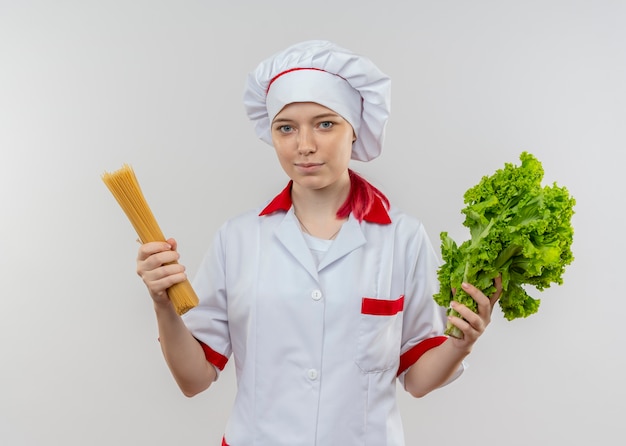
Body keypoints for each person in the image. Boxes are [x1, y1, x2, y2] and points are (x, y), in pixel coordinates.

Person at [136, 40, 502, 446]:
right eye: (286, 127)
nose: (304, 145)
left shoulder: (402, 237)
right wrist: (163, 306)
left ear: (354, 130)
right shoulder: (238, 239)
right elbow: (194, 379)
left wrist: (461, 342)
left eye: (325, 123)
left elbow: (416, 379)